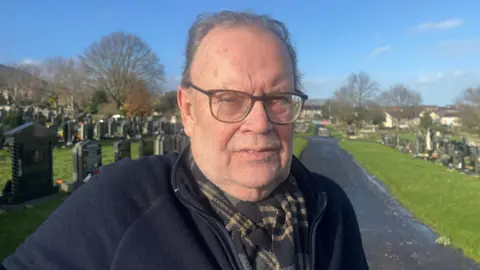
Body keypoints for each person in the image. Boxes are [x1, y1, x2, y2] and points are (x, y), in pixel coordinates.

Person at [1, 11, 368, 270]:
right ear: (188, 110)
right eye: (228, 99)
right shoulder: (120, 202)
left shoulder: (329, 205)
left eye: (277, 99)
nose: (260, 123)